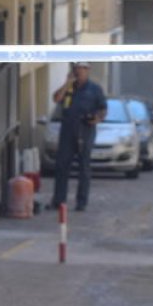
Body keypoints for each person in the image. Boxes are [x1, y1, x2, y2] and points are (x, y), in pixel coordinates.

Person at [50, 62, 107, 211]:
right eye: (76, 69)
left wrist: (97, 118)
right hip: (68, 129)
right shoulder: (69, 87)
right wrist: (67, 83)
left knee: (84, 167)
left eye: (81, 69)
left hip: (85, 129)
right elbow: (56, 99)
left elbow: (103, 109)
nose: (78, 72)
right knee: (62, 165)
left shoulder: (95, 89)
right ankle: (59, 200)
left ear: (87, 70)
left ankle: (81, 202)